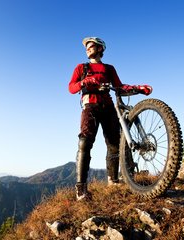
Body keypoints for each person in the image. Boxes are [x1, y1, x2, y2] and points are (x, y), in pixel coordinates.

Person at [68, 37, 152, 201]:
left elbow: (119, 87)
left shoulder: (109, 68)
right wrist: (84, 81)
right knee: (85, 143)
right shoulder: (81, 67)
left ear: (100, 48)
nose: (87, 48)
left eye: (90, 46)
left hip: (108, 107)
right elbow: (71, 87)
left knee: (114, 143)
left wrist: (138, 88)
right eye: (86, 47)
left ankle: (113, 180)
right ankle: (81, 189)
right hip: (90, 107)